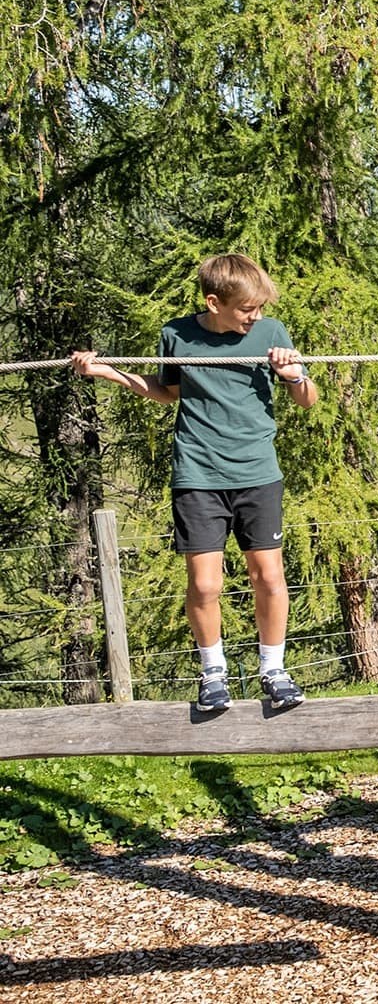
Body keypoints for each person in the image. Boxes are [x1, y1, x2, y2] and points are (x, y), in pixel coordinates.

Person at [72, 253, 319, 711]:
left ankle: (274, 670)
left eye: (260, 307)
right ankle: (213, 672)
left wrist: (294, 375)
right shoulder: (177, 334)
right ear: (214, 302)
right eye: (246, 309)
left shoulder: (271, 333)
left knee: (268, 576)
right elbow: (167, 392)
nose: (255, 316)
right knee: (205, 585)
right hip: (198, 475)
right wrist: (106, 372)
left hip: (258, 474)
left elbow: (307, 399)